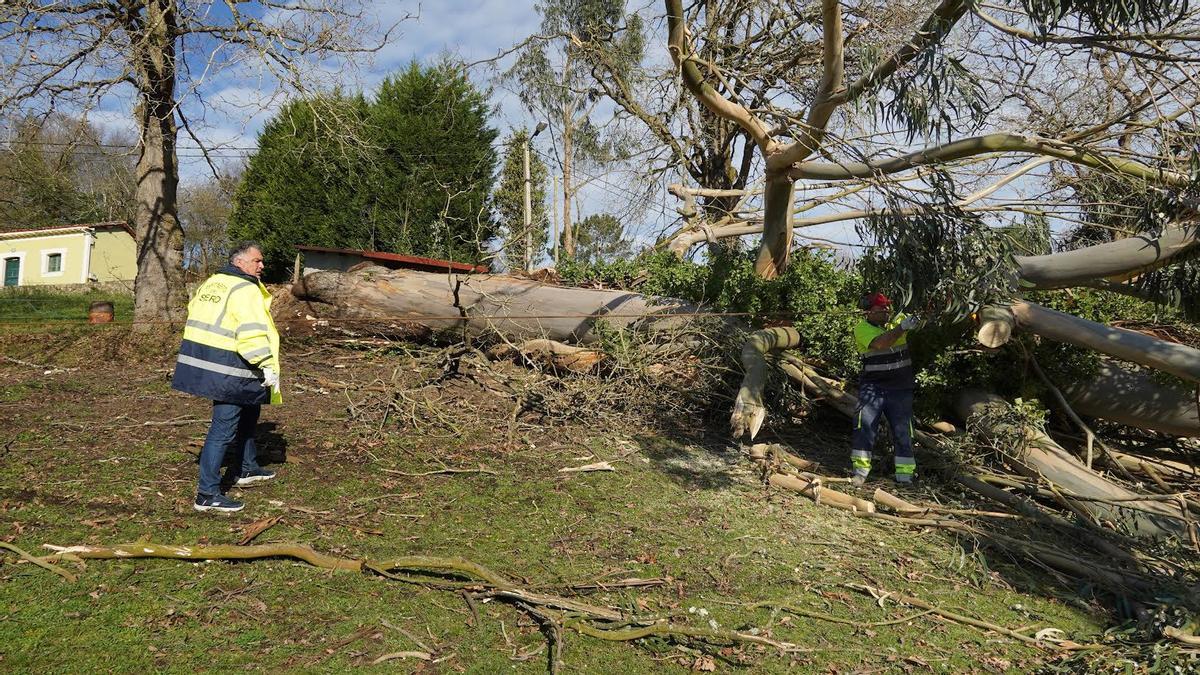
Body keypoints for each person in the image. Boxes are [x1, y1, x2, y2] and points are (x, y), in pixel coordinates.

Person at [172, 242, 281, 513]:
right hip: (234, 366)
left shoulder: (213, 283)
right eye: (257, 261)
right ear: (240, 263)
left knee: (249, 412)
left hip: (212, 361)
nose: (262, 266)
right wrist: (266, 364)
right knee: (223, 427)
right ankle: (207, 494)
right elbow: (251, 330)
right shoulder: (245, 289)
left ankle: (247, 468)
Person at [850, 292, 918, 486]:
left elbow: (920, 321)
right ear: (869, 312)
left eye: (888, 307)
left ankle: (905, 475)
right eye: (882, 309)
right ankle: (860, 472)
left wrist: (917, 319)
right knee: (865, 426)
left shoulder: (897, 321)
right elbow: (880, 343)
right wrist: (902, 328)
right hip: (873, 388)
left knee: (903, 431)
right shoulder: (861, 329)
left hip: (901, 389)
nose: (887, 311)